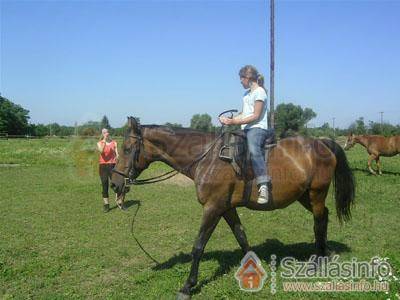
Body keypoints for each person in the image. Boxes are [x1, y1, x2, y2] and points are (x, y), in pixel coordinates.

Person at [219, 65, 275, 204]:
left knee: (253, 148)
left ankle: (263, 185)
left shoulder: (260, 92)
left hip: (257, 128)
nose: (240, 82)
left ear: (248, 78)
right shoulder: (246, 95)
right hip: (246, 128)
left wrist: (234, 121)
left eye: (241, 78)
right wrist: (229, 120)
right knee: (227, 140)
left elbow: (255, 116)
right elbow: (243, 114)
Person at [97, 128, 119, 212]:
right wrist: (104, 142)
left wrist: (117, 156)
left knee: (116, 184)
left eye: (107, 132)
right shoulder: (99, 143)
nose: (106, 133)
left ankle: (119, 201)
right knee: (104, 185)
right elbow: (101, 151)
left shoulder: (114, 143)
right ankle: (106, 205)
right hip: (103, 166)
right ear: (102, 134)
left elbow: (117, 154)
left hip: (113, 165)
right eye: (104, 132)